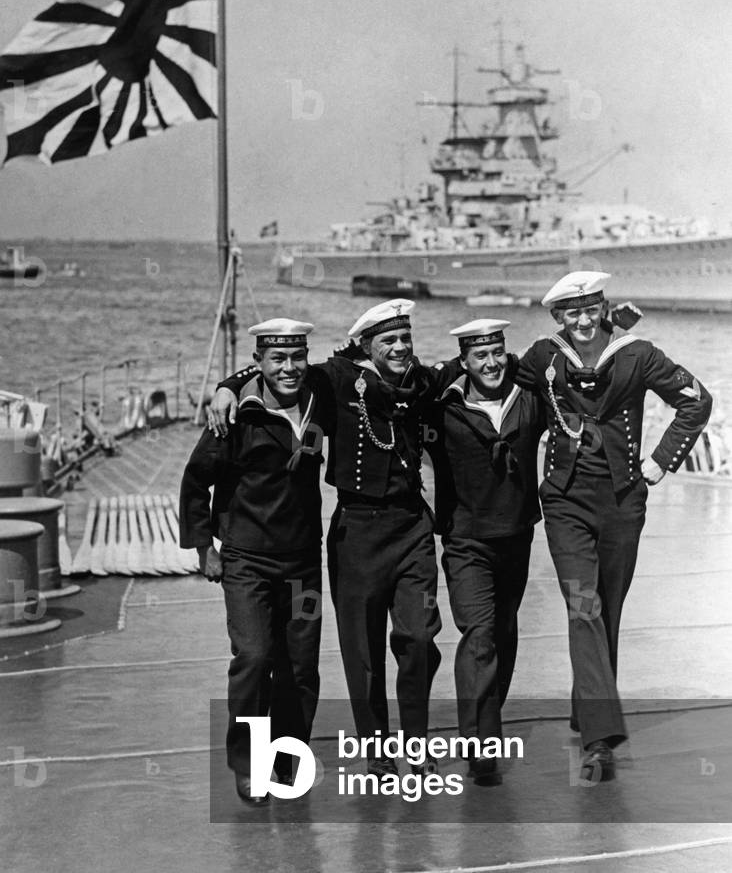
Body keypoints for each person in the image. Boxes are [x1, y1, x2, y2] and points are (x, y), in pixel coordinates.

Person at [211, 300, 462, 778]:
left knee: (418, 637)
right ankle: (376, 748)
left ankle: (416, 743)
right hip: (357, 532)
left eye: (405, 339)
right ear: (366, 345)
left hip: (411, 527)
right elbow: (282, 366)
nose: (400, 348)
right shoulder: (339, 378)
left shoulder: (421, 382)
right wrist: (228, 386)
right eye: (388, 341)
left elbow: (462, 365)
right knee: (362, 653)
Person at [512, 271, 712, 782]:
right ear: (557, 316)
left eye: (590, 309)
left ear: (603, 306)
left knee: (609, 610)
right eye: (570, 312)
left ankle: (588, 712)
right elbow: (496, 389)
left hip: (623, 500)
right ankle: (599, 741)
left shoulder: (637, 353)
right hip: (565, 500)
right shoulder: (543, 355)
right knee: (585, 607)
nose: (581, 320)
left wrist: (661, 461)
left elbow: (696, 401)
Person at [179, 318, 334, 805]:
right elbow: (194, 480)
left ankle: (288, 761)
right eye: (277, 359)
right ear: (261, 362)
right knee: (254, 658)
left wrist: (226, 381)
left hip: (304, 562)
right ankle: (248, 764)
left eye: (297, 357)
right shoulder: (235, 418)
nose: (289, 368)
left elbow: (353, 357)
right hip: (247, 561)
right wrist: (205, 546)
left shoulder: (318, 398)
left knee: (301, 666)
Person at [425, 318, 546, 785]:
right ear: (465, 360)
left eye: (497, 352)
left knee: (504, 633)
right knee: (478, 633)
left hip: (516, 535)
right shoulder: (443, 406)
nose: (491, 362)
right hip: (465, 539)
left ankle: (485, 730)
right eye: (480, 355)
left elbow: (574, 384)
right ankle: (480, 744)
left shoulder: (531, 399)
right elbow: (394, 390)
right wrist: (236, 385)